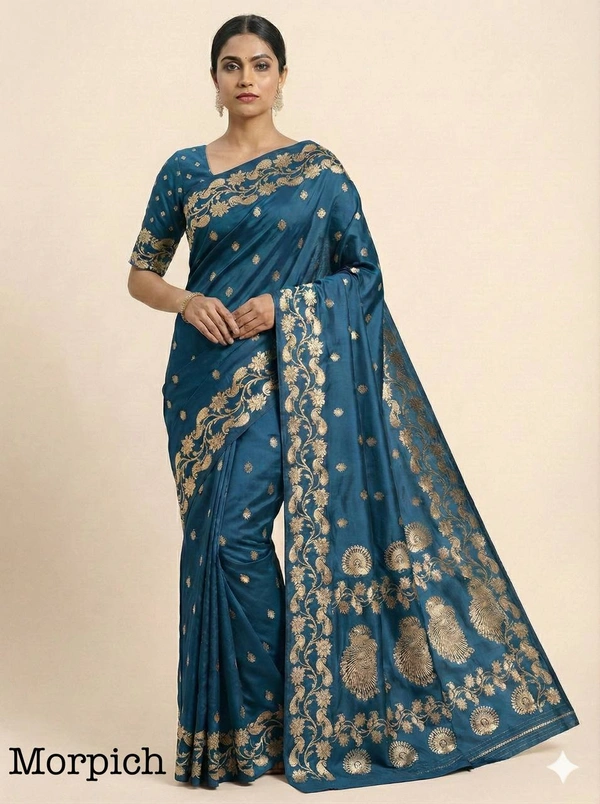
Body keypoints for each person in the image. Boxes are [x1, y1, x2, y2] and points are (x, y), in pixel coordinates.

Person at [126, 13, 579, 794]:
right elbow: (140, 271)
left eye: (260, 64)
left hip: (287, 376)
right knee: (215, 546)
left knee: (233, 536)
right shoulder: (184, 171)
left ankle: (287, 721)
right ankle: (239, 735)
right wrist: (185, 299)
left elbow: (363, 277)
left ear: (282, 77)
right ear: (214, 79)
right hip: (201, 382)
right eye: (231, 64)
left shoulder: (320, 172)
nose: (246, 78)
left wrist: (284, 307)